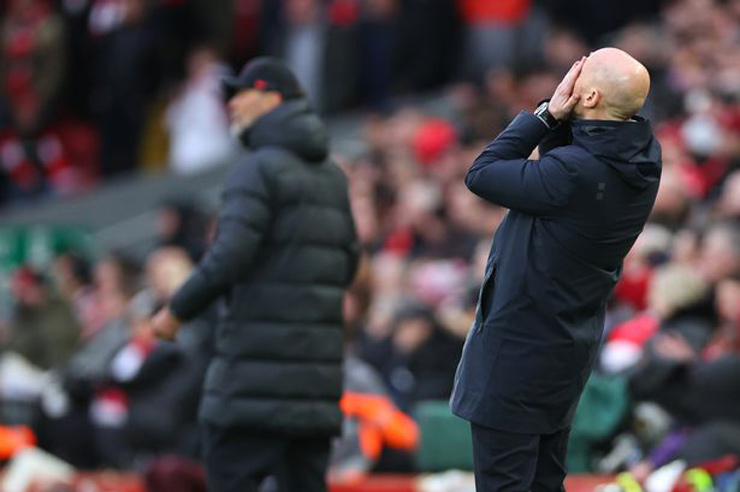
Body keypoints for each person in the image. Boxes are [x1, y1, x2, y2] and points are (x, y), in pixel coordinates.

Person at [449, 48, 661, 491]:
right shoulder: (642, 159)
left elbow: (482, 173)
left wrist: (545, 115)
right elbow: (567, 164)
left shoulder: (575, 173)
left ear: (591, 96)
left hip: (517, 353)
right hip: (565, 349)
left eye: (579, 73)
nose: (571, 78)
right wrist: (566, 121)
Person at [152, 57, 360, 492]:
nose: (231, 104)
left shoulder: (256, 168)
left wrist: (176, 310)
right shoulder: (332, 177)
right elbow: (348, 265)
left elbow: (228, 255)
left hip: (252, 386)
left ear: (270, 98)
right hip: (314, 387)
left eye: (241, 93)